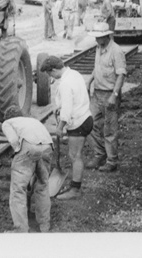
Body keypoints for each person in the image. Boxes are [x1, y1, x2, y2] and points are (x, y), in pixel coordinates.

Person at [39, 56, 93, 200]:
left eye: (51, 74)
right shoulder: (74, 74)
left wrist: (60, 127)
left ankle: (75, 190)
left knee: (75, 156)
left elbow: (67, 110)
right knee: (75, 154)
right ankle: (75, 184)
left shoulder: (65, 84)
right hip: (85, 116)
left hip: (78, 122)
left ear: (55, 70)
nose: (52, 77)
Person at [1, 106, 53, 232]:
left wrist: (17, 154)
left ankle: (21, 229)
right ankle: (44, 225)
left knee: (18, 190)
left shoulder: (8, 123)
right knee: (43, 186)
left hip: (28, 147)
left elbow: (13, 140)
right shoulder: (33, 120)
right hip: (47, 147)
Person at [85, 22, 127, 172]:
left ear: (106, 36)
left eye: (99, 37)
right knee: (89, 124)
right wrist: (90, 80)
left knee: (109, 129)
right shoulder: (99, 47)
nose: (96, 40)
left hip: (110, 93)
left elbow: (121, 75)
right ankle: (99, 154)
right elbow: (98, 68)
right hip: (97, 93)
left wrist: (114, 96)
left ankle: (111, 160)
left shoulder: (116, 51)